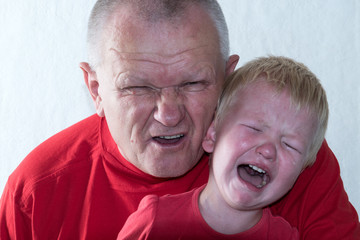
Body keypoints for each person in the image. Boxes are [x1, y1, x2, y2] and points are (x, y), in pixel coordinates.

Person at [0, 0, 359, 239]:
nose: (168, 114)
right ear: (95, 90)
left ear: (227, 78)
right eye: (138, 87)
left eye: (193, 82)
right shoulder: (37, 192)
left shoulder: (287, 161)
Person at [117, 56, 327, 240]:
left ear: (301, 170)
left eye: (289, 145)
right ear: (212, 134)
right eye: (254, 128)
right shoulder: (156, 222)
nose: (268, 150)